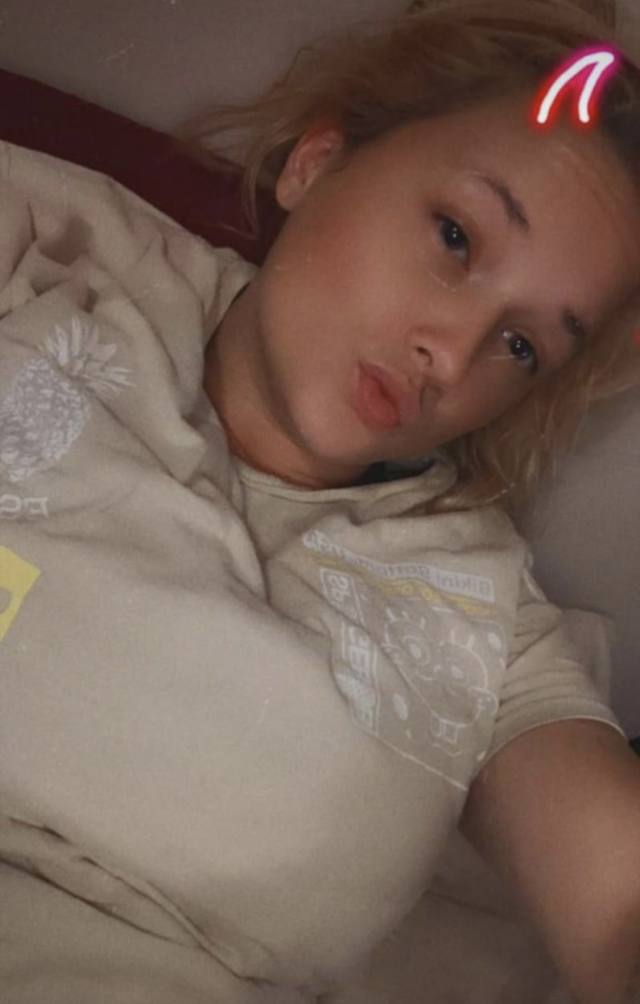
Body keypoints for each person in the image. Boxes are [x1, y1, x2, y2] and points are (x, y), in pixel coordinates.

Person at [0, 1, 639, 1002]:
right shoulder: (60, 246)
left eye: (522, 345)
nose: (452, 354)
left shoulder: (481, 613)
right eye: (456, 236)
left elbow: (617, 904)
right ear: (317, 162)